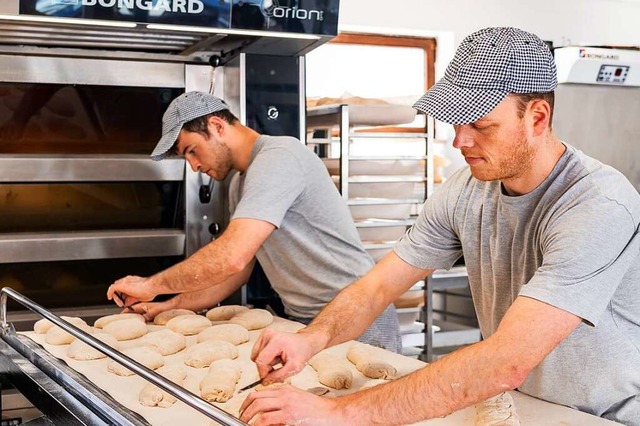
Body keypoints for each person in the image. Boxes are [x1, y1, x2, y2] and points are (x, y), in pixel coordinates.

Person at [240, 27, 640, 425]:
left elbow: (507, 359)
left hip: (606, 416)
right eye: (455, 121)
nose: (459, 141)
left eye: (479, 124)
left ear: (537, 118)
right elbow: (378, 286)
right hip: (523, 405)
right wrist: (312, 338)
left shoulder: (597, 205)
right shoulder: (467, 190)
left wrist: (337, 412)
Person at [106, 91, 402, 353]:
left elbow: (231, 258)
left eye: (192, 150)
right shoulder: (241, 183)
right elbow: (236, 272)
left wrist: (151, 285)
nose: (194, 166)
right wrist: (168, 306)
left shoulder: (280, 157)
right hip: (307, 322)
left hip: (356, 318)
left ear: (217, 126)